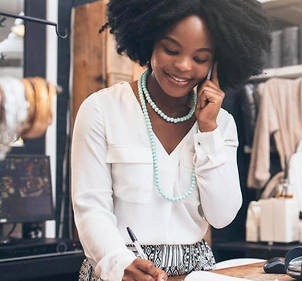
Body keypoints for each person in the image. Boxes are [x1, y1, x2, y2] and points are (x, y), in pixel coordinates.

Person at [71, 1, 270, 280]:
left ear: (216, 62)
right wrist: (118, 263)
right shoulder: (101, 110)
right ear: (149, 38)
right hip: (120, 269)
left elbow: (222, 216)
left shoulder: (221, 124)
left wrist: (208, 130)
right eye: (171, 50)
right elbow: (90, 207)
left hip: (197, 273)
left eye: (200, 58)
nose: (183, 66)